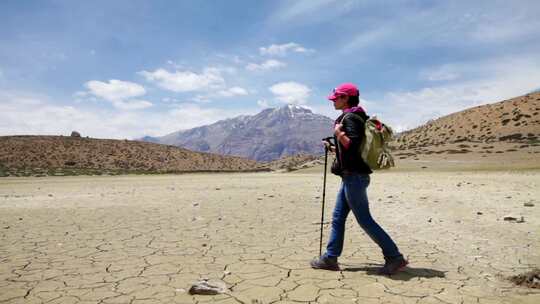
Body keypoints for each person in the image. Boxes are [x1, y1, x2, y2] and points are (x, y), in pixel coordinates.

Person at [310, 83, 408, 275]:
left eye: (336, 98)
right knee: (338, 218)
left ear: (346, 98)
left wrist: (338, 134)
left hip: (355, 178)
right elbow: (349, 151)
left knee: (365, 220)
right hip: (351, 177)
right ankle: (330, 258)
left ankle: (394, 257)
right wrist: (333, 147)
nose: (333, 101)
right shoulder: (355, 116)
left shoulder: (351, 118)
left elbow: (352, 145)